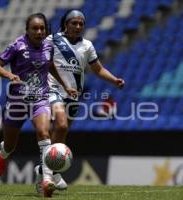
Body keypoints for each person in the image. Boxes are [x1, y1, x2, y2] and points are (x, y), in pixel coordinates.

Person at [34, 9, 125, 192]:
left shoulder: (87, 46)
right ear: (65, 24)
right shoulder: (53, 40)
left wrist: (114, 79)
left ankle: (46, 171)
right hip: (52, 90)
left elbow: (98, 69)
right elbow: (45, 62)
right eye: (73, 23)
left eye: (81, 24)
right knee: (61, 126)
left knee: (63, 132)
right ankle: (49, 173)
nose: (77, 26)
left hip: (74, 95)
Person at [0, 13, 77, 198]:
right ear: (27, 30)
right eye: (35, 29)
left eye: (42, 29)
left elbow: (50, 66)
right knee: (10, 145)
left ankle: (45, 180)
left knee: (44, 132)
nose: (39, 32)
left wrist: (65, 85)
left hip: (40, 98)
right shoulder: (17, 46)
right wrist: (9, 76)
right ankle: (3, 153)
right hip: (17, 101)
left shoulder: (48, 45)